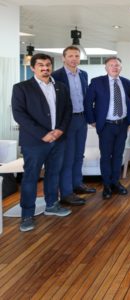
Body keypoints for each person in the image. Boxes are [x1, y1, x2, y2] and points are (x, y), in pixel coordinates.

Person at [12, 53, 73, 232]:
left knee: (53, 173)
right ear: (33, 68)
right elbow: (19, 114)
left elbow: (67, 110)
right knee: (31, 177)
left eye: (48, 65)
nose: (45, 68)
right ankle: (27, 214)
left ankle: (51, 204)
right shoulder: (21, 88)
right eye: (40, 65)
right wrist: (42, 134)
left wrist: (60, 130)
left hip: (58, 139)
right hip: (35, 141)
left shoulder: (60, 87)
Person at [84, 56, 130, 199]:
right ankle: (106, 185)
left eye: (117, 65)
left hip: (122, 124)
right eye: (111, 65)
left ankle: (115, 182)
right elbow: (88, 103)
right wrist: (92, 120)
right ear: (106, 68)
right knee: (106, 156)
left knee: (118, 155)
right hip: (106, 126)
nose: (114, 67)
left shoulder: (126, 83)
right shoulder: (97, 82)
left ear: (121, 67)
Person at [52, 46, 93, 207]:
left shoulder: (83, 74)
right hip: (66, 122)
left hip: (81, 119)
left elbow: (85, 96)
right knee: (68, 158)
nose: (74, 58)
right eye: (70, 56)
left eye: (76, 55)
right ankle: (67, 192)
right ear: (63, 58)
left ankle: (77, 183)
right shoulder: (56, 76)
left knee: (79, 155)